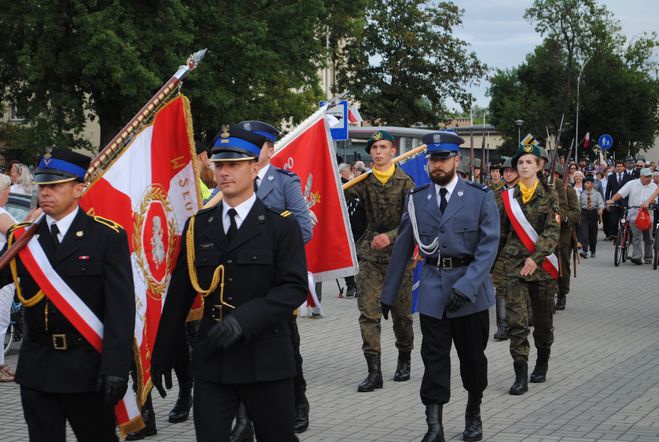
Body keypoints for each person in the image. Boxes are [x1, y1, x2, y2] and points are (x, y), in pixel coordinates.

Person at [150, 125, 308, 442]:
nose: (224, 172)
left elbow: (293, 288)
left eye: (234, 165)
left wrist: (245, 320)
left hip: (265, 357)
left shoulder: (280, 227)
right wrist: (163, 351)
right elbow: (180, 294)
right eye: (219, 164)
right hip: (213, 358)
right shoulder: (198, 226)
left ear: (254, 168)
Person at [0, 148, 135, 441]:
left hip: (87, 369)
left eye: (55, 185)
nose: (45, 192)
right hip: (37, 368)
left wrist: (116, 368)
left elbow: (121, 309)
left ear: (78, 189)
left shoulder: (107, 236)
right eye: (42, 185)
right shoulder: (23, 238)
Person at [381, 131, 499, 442]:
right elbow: (404, 246)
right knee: (433, 360)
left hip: (469, 294)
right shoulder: (418, 199)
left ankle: (473, 412)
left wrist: (468, 285)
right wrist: (388, 293)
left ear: (456, 161)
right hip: (433, 290)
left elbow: (489, 246)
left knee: (472, 359)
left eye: (443, 158)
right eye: (433, 159)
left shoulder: (479, 195)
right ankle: (434, 426)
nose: (437, 164)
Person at [344, 130, 415, 393]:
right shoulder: (362, 182)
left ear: (393, 151)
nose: (378, 152)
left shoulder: (406, 183)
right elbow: (338, 199)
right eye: (374, 148)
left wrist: (391, 236)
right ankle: (374, 370)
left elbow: (413, 221)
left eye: (383, 147)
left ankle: (404, 356)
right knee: (369, 314)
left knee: (401, 316)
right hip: (370, 255)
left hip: (399, 256)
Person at [497, 144, 560, 396]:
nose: (523, 166)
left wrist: (536, 257)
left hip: (542, 267)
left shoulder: (550, 195)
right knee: (517, 321)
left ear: (539, 166)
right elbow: (500, 233)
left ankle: (542, 361)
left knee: (543, 322)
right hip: (514, 266)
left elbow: (552, 230)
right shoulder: (506, 198)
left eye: (528, 162)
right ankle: (520, 373)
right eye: (520, 162)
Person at [492, 159, 519, 341]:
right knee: (500, 286)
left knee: (519, 286)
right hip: (501, 247)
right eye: (505, 171)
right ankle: (502, 325)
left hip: (521, 248)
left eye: (511, 170)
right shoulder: (496, 194)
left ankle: (518, 322)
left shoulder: (524, 192)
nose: (507, 174)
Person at [607, 168, 657, 264]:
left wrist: (650, 202)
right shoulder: (632, 184)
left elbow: (655, 199)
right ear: (641, 176)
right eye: (646, 177)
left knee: (648, 238)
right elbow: (620, 193)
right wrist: (612, 200)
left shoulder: (653, 186)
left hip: (647, 215)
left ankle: (648, 258)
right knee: (636, 236)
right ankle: (637, 257)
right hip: (634, 214)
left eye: (650, 176)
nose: (649, 178)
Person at [553, 166, 580, 311]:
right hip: (546, 232)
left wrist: (562, 218)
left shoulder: (568, 191)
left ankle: (562, 294)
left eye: (556, 175)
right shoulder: (544, 189)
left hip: (563, 233)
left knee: (562, 265)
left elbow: (576, 213)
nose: (554, 177)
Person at [0, 174, 17, 382]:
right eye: (6, 190)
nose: (9, 193)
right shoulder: (1, 213)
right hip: (3, 272)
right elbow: (18, 234)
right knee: (2, 321)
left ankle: (2, 362)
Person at [604, 159, 633, 240]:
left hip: (625, 202)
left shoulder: (629, 177)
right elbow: (607, 190)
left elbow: (631, 191)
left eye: (621, 166)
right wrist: (607, 202)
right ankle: (614, 235)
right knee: (613, 220)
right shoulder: (611, 177)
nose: (619, 168)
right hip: (614, 202)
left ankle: (624, 236)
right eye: (617, 166)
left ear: (624, 167)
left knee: (623, 221)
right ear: (615, 168)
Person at [578, 176, 604, 259]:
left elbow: (600, 203)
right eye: (585, 183)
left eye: (588, 183)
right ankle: (585, 251)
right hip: (584, 213)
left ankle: (593, 250)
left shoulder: (597, 194)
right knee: (584, 233)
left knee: (593, 234)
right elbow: (579, 206)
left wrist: (600, 209)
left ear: (592, 184)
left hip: (593, 213)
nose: (586, 184)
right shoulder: (582, 194)